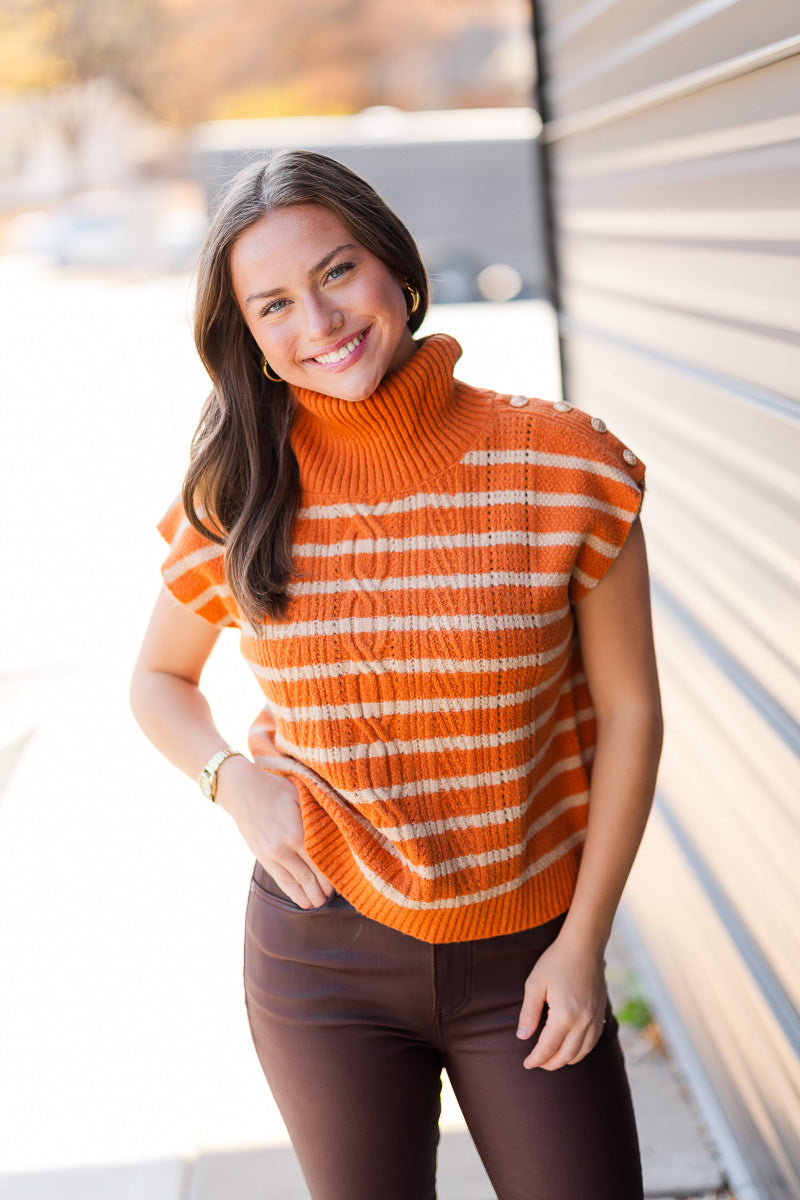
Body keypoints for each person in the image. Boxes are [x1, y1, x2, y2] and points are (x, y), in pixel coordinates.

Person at [130, 149, 663, 1200]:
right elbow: (157, 677)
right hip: (319, 954)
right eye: (273, 304)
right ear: (250, 339)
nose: (318, 321)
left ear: (394, 265)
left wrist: (584, 943)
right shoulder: (242, 490)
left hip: (526, 948)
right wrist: (229, 780)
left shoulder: (562, 462)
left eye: (335, 272)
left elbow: (632, 711)